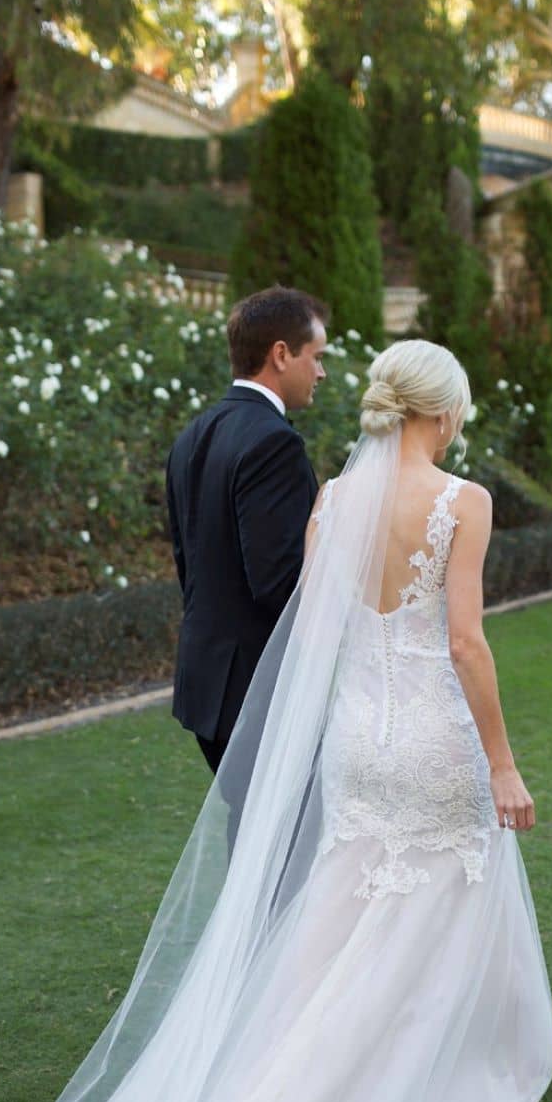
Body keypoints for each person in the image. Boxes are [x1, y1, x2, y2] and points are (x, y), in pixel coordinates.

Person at [0, 340, 552, 1102]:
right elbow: (466, 640)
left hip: (355, 737)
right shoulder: (461, 501)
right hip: (428, 732)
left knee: (347, 912)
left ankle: (298, 1080)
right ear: (446, 410)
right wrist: (504, 761)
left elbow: (324, 629)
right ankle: (412, 1077)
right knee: (435, 900)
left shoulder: (334, 502)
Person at [166, 285, 328, 773]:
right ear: (281, 354)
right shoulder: (273, 444)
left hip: (205, 683)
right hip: (258, 689)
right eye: (317, 357)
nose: (321, 372)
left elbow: (186, 561)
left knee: (254, 839)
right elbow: (278, 582)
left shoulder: (192, 434)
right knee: (292, 841)